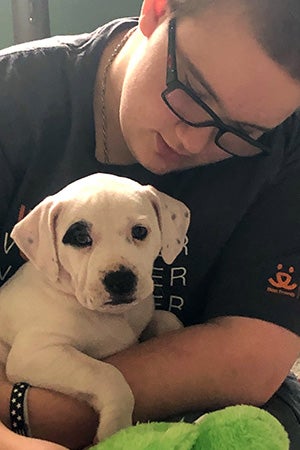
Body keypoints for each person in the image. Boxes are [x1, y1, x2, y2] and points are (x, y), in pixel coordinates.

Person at [0, 0, 299, 448]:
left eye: (243, 132)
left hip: (206, 403)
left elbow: (251, 359)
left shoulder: (285, 149)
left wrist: (37, 409)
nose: (192, 140)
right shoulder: (14, 100)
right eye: (192, 92)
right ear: (157, 10)